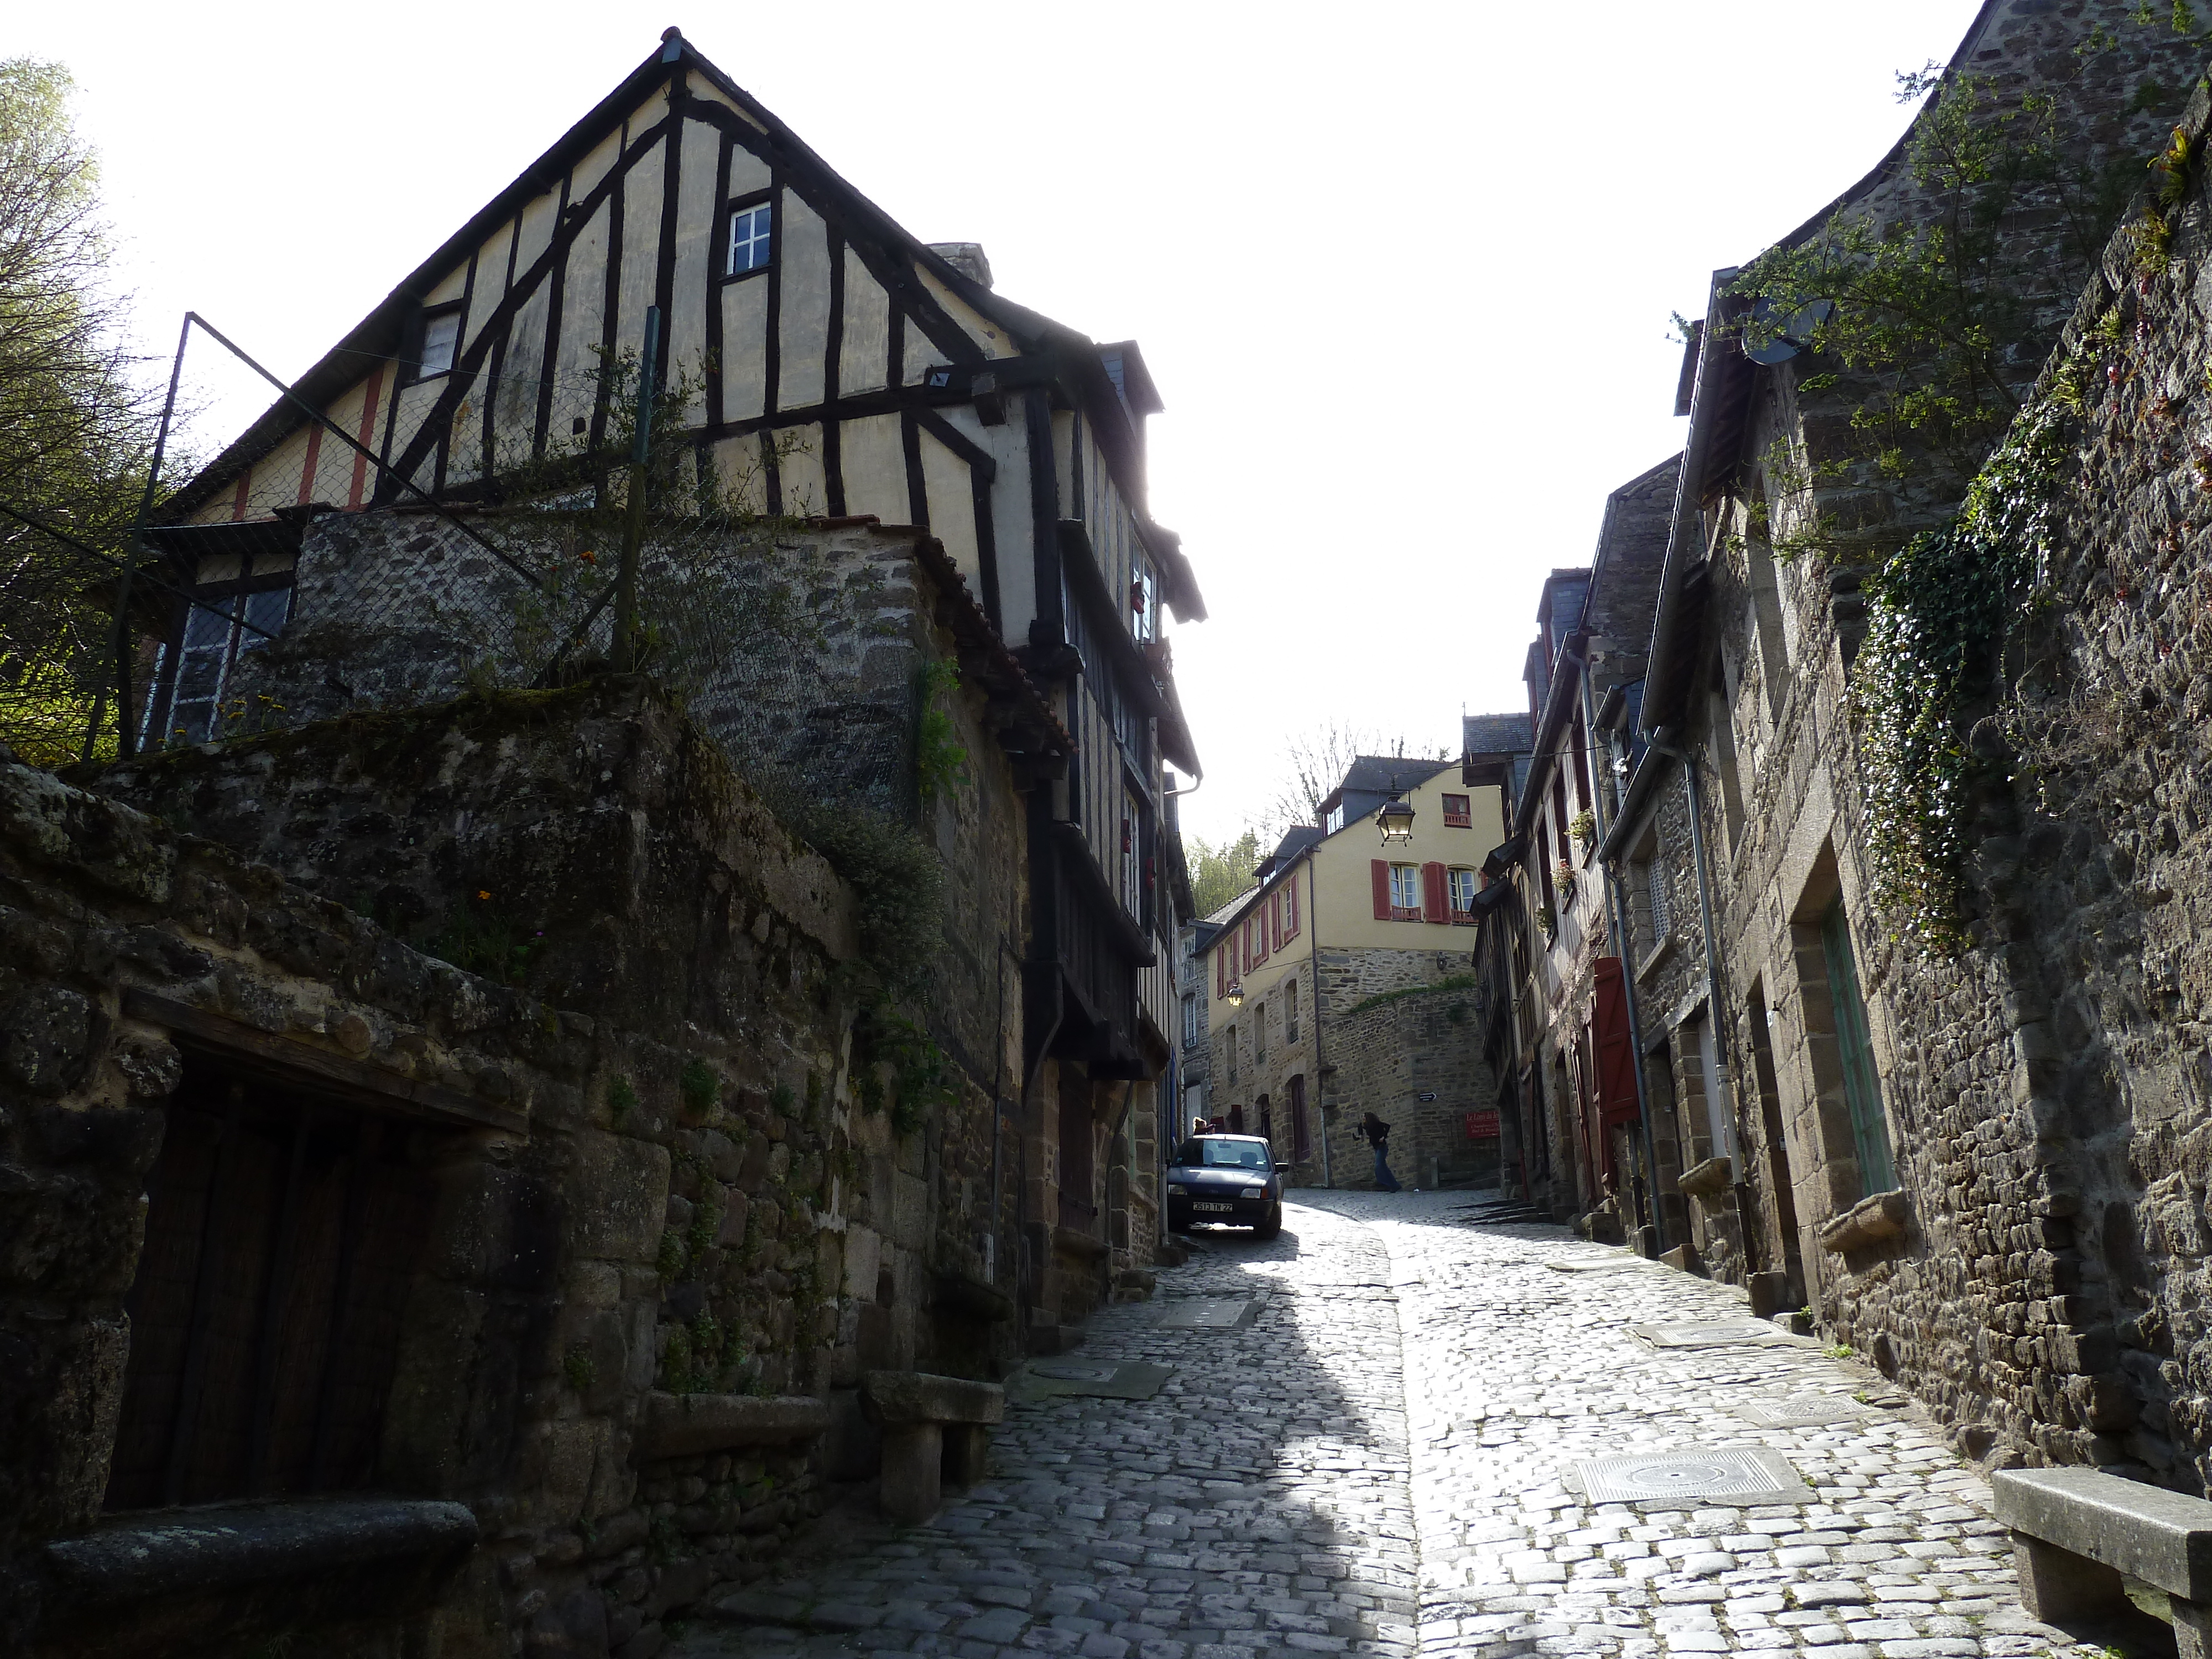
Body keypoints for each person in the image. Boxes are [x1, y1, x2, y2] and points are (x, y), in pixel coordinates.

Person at [1361, 1112, 1401, 1192]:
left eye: (1364, 1117)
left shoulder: (1377, 1124)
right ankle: (1395, 1186)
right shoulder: (1367, 1126)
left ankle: (1384, 1183)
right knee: (1384, 1167)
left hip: (1382, 1147)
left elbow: (1388, 1126)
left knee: (1378, 1166)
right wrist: (1360, 1135)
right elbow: (1360, 1127)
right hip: (1376, 1147)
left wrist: (1384, 1137)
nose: (1363, 1118)